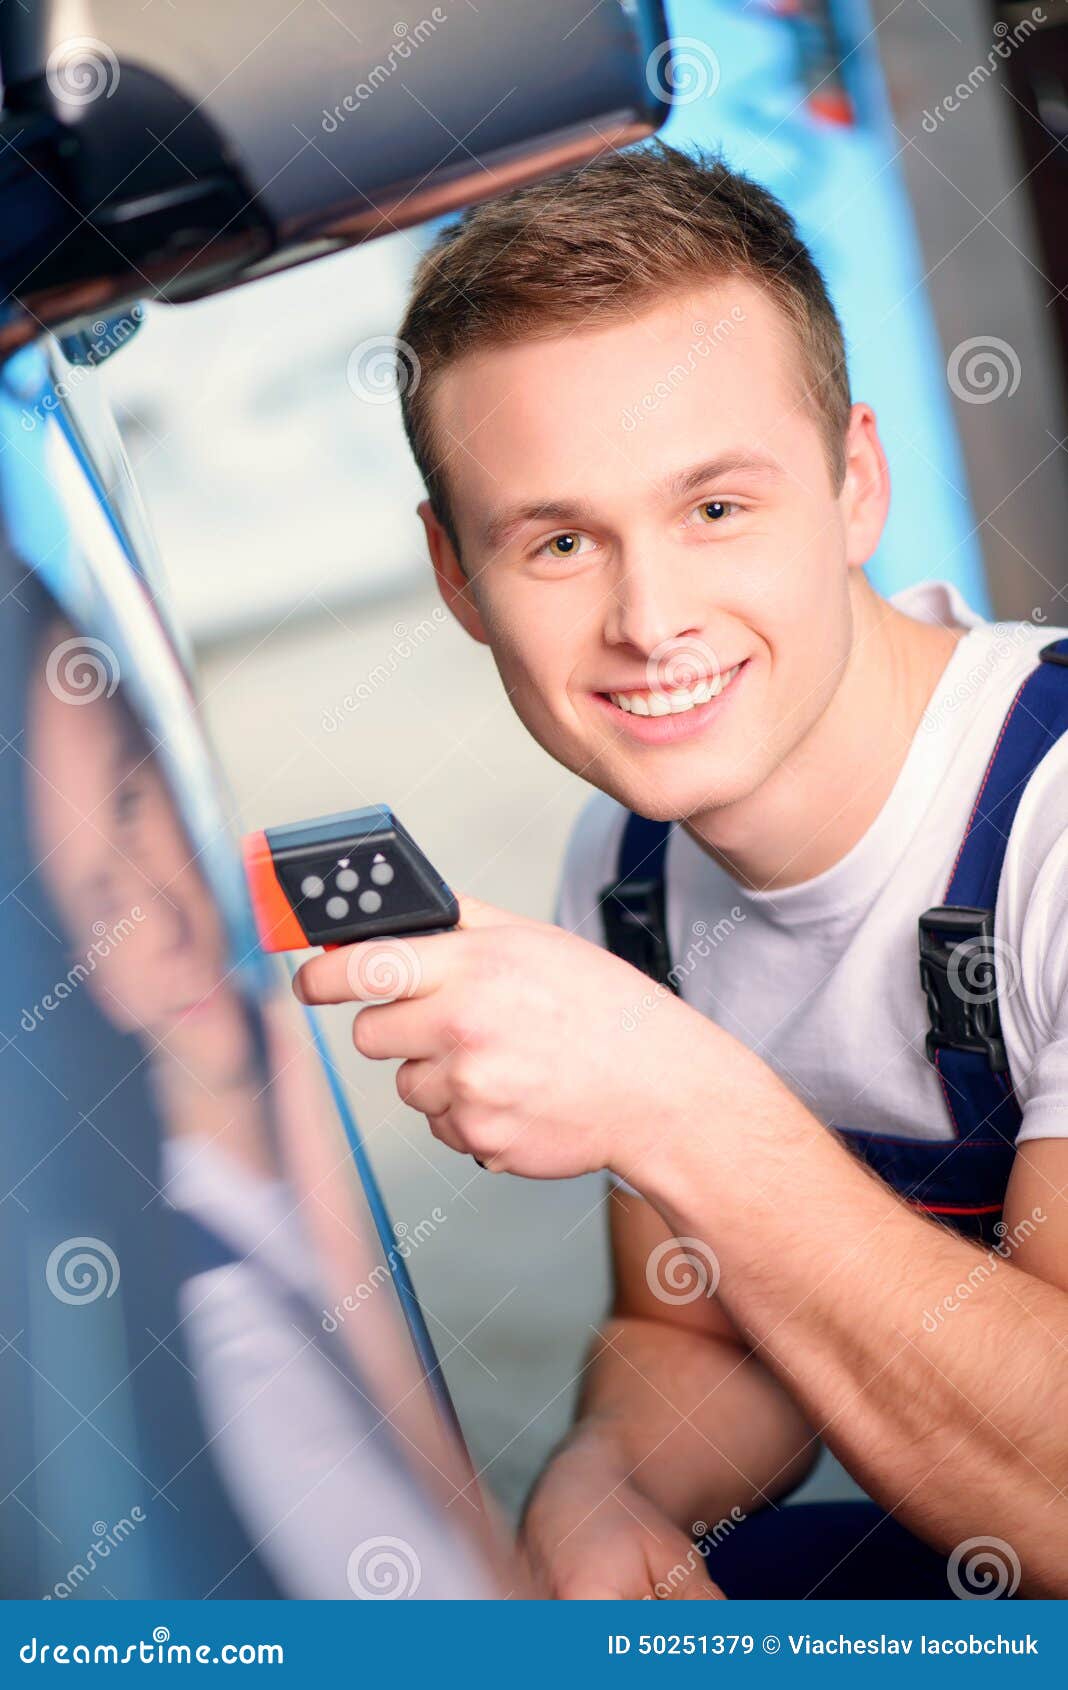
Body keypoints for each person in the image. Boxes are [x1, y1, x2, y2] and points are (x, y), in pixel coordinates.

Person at [294, 143, 1068, 1598]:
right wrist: (608, 1480)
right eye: (563, 539)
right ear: (457, 576)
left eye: (717, 507)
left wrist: (669, 1091)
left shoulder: (1051, 823)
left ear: (855, 486)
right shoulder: (637, 866)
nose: (650, 621)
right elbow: (699, 1333)